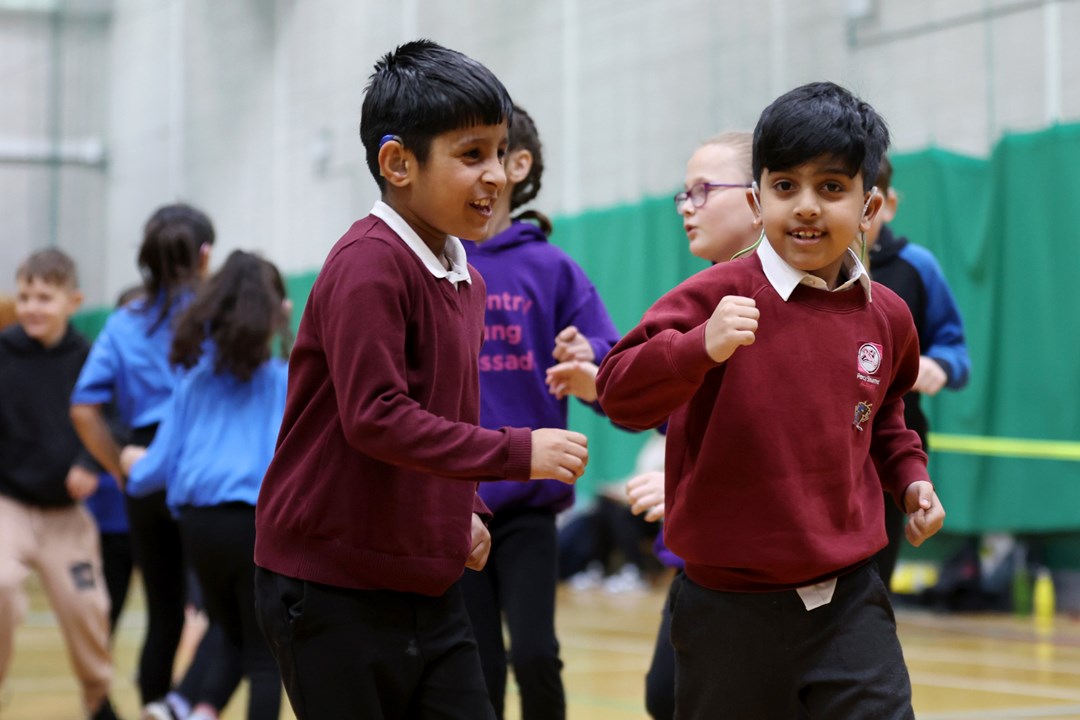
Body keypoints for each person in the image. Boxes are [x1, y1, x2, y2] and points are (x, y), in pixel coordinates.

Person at [252, 40, 589, 720]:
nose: (495, 175)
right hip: (326, 584)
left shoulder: (465, 275)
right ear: (398, 163)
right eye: (471, 155)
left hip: (423, 585)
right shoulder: (369, 265)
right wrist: (517, 452)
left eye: (499, 152)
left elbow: (447, 417)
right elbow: (376, 416)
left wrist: (465, 507)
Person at [596, 81, 946, 719]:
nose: (807, 207)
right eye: (786, 187)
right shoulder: (713, 295)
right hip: (727, 610)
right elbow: (618, 393)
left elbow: (886, 418)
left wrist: (911, 480)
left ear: (869, 208)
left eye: (831, 188)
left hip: (850, 604)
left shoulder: (889, 316)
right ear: (758, 201)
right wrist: (699, 346)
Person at [456, 104, 620, 720]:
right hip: (455, 500)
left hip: (527, 504)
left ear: (518, 165)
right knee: (476, 665)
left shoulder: (549, 267)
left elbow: (610, 352)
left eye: (487, 153)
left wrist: (591, 352)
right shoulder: (440, 265)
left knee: (533, 653)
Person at [622, 130, 760, 720]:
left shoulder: (786, 301)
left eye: (704, 191)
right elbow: (674, 411)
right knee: (666, 695)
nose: (688, 208)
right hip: (701, 551)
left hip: (766, 565)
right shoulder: (692, 299)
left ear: (759, 199)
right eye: (683, 195)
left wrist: (682, 490)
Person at [123, 251, 290, 720]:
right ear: (274, 313)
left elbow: (151, 474)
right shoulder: (283, 382)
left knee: (230, 632)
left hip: (198, 529)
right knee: (265, 656)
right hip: (254, 526)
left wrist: (130, 463)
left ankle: (191, 710)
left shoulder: (192, 384)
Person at [71, 203, 217, 717]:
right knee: (227, 614)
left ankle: (159, 705)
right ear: (205, 255)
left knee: (163, 615)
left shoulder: (123, 322)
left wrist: (118, 467)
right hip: (205, 472)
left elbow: (85, 408)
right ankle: (183, 705)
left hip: (143, 475)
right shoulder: (214, 313)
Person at [0, 249, 118, 719]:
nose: (32, 306)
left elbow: (112, 416)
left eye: (44, 298)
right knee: (1, 585)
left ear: (74, 301)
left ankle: (97, 699)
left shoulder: (90, 358)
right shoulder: (3, 351)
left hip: (66, 516)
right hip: (8, 505)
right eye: (25, 295)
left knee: (85, 608)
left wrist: (91, 460)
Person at [866, 154, 971, 590]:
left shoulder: (918, 266)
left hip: (893, 446)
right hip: (829, 449)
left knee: (874, 578)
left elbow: (957, 352)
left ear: (888, 205)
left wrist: (939, 365)